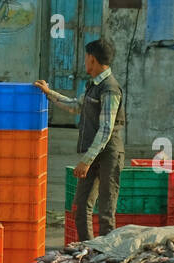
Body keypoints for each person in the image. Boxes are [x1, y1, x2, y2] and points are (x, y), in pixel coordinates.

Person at [34, 37, 125, 242]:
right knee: (81, 205)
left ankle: (107, 254)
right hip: (94, 152)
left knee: (106, 211)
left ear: (92, 59)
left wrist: (87, 160)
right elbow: (76, 106)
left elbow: (106, 129)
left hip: (108, 152)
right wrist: (49, 94)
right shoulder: (93, 85)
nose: (85, 61)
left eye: (86, 57)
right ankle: (88, 250)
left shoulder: (110, 88)